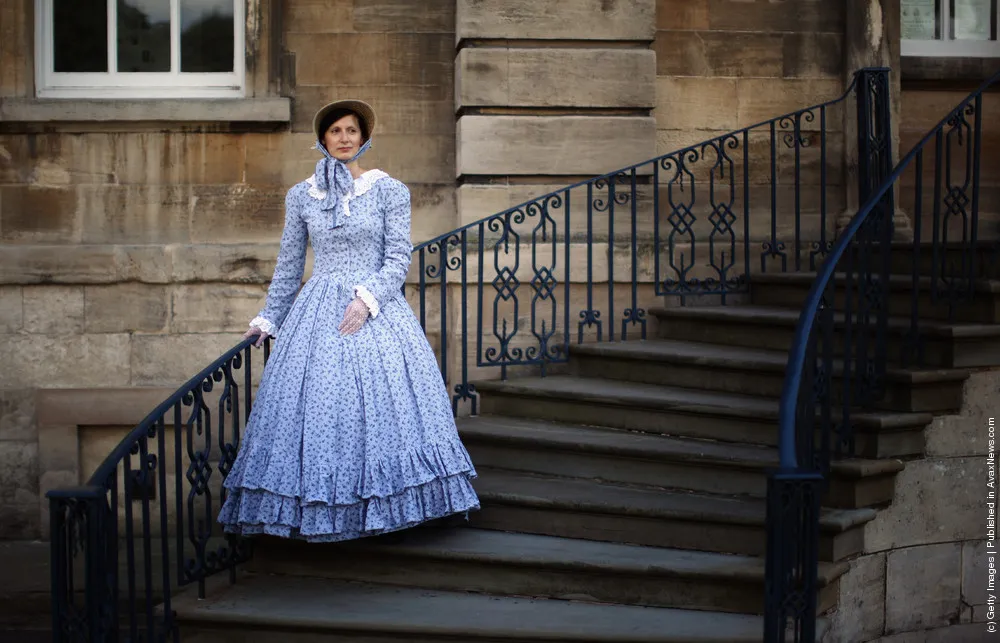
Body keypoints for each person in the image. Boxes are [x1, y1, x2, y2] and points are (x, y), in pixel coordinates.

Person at [218, 99, 480, 542]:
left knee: (385, 405)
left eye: (352, 131)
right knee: (321, 407)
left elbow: (398, 258)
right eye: (335, 130)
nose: (344, 138)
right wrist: (268, 319)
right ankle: (324, 511)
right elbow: (289, 264)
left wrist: (366, 299)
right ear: (322, 138)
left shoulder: (389, 190)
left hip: (375, 310)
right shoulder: (301, 195)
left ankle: (395, 505)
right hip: (317, 311)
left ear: (364, 138)